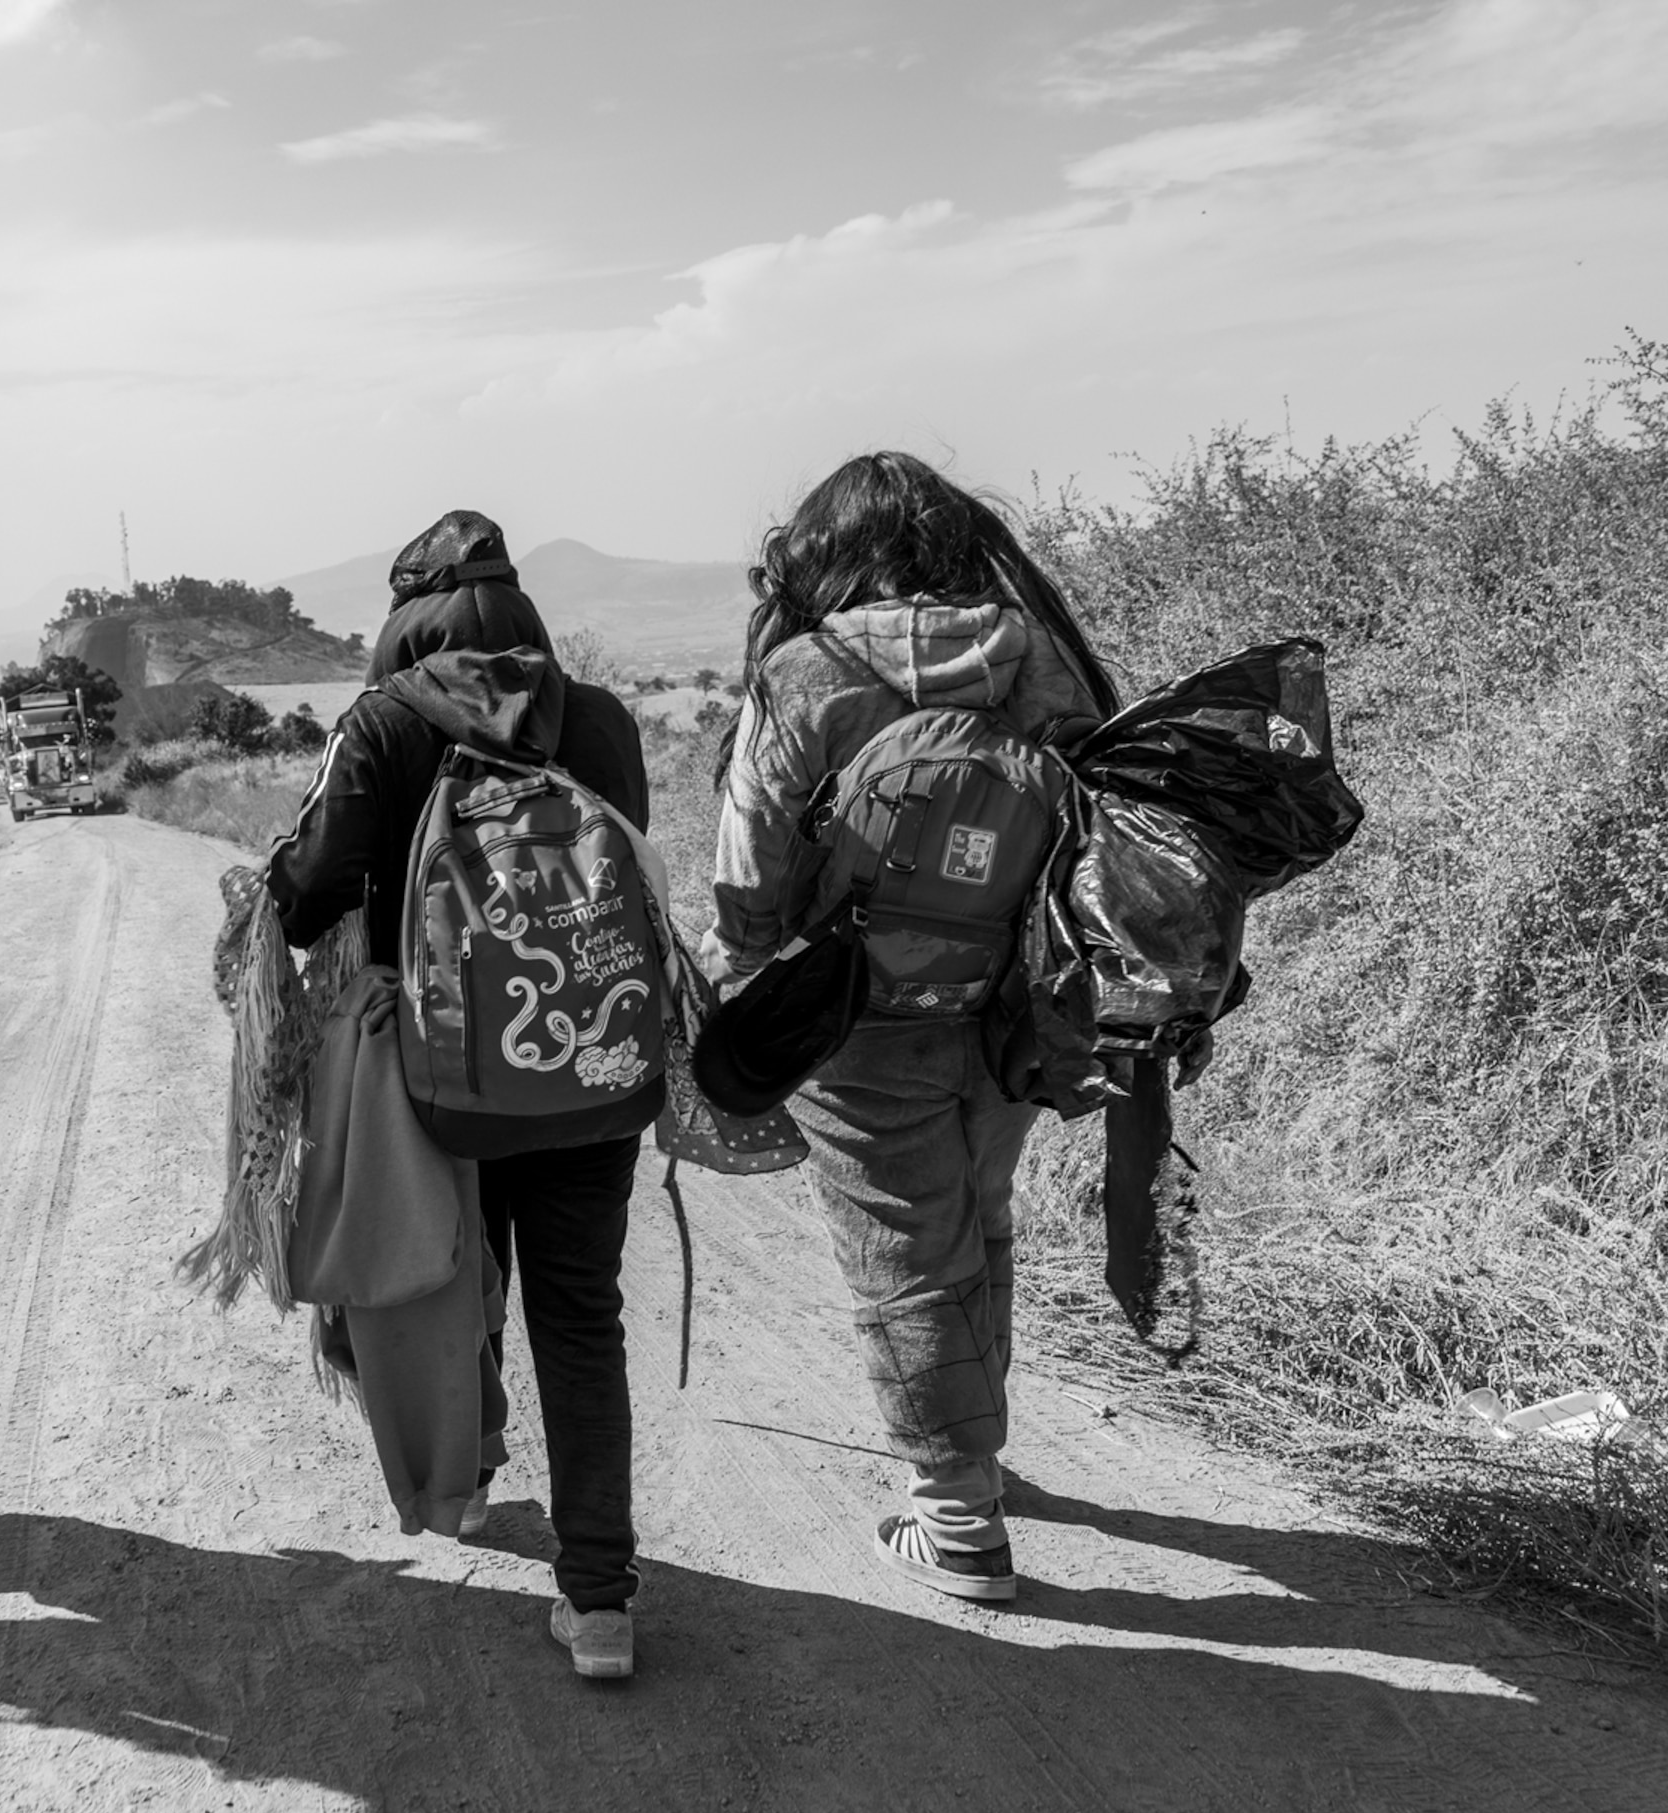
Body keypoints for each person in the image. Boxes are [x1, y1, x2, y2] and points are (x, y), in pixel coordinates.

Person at [700, 452, 1119, 1603]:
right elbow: (1104, 853)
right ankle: (974, 1453)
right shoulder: (1047, 660)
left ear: (830, 556)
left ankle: (959, 1521)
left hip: (858, 1022)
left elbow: (746, 884)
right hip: (1013, 1014)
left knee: (903, 1256)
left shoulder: (805, 674)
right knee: (978, 1224)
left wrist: (745, 1002)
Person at [265, 510, 659, 1680]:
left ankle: (471, 1488)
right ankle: (600, 1601)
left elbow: (304, 893)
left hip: (445, 1079)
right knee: (582, 1320)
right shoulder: (600, 721)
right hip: (592, 1064)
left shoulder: (386, 721)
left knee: (455, 1287)